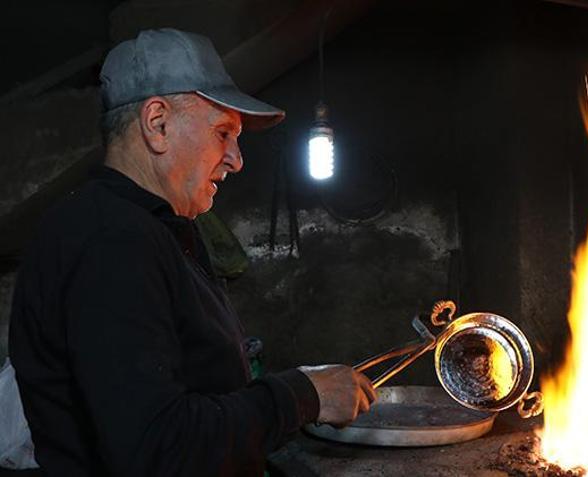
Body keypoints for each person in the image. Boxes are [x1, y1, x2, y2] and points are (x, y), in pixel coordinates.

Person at [8, 28, 376, 477]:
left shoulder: (151, 227)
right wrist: (301, 395)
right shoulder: (111, 243)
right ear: (157, 123)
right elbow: (158, 449)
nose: (237, 159)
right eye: (223, 133)